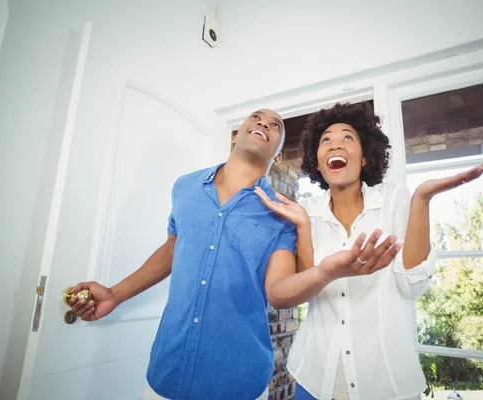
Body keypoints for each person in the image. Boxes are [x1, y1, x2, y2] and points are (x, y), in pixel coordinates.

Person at [66, 109, 402, 400]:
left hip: (239, 380)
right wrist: (115, 294)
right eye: (256, 117)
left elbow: (279, 292)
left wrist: (326, 270)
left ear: (279, 156)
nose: (263, 123)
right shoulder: (184, 187)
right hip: (165, 373)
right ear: (234, 136)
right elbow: (172, 247)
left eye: (276, 125)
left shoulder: (281, 215)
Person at [254, 102, 483, 400]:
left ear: (366, 157)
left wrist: (422, 199)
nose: (334, 145)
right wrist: (306, 231)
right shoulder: (306, 212)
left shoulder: (394, 199)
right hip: (313, 380)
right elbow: (304, 290)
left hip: (386, 384)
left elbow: (412, 286)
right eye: (325, 140)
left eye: (347, 138)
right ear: (317, 162)